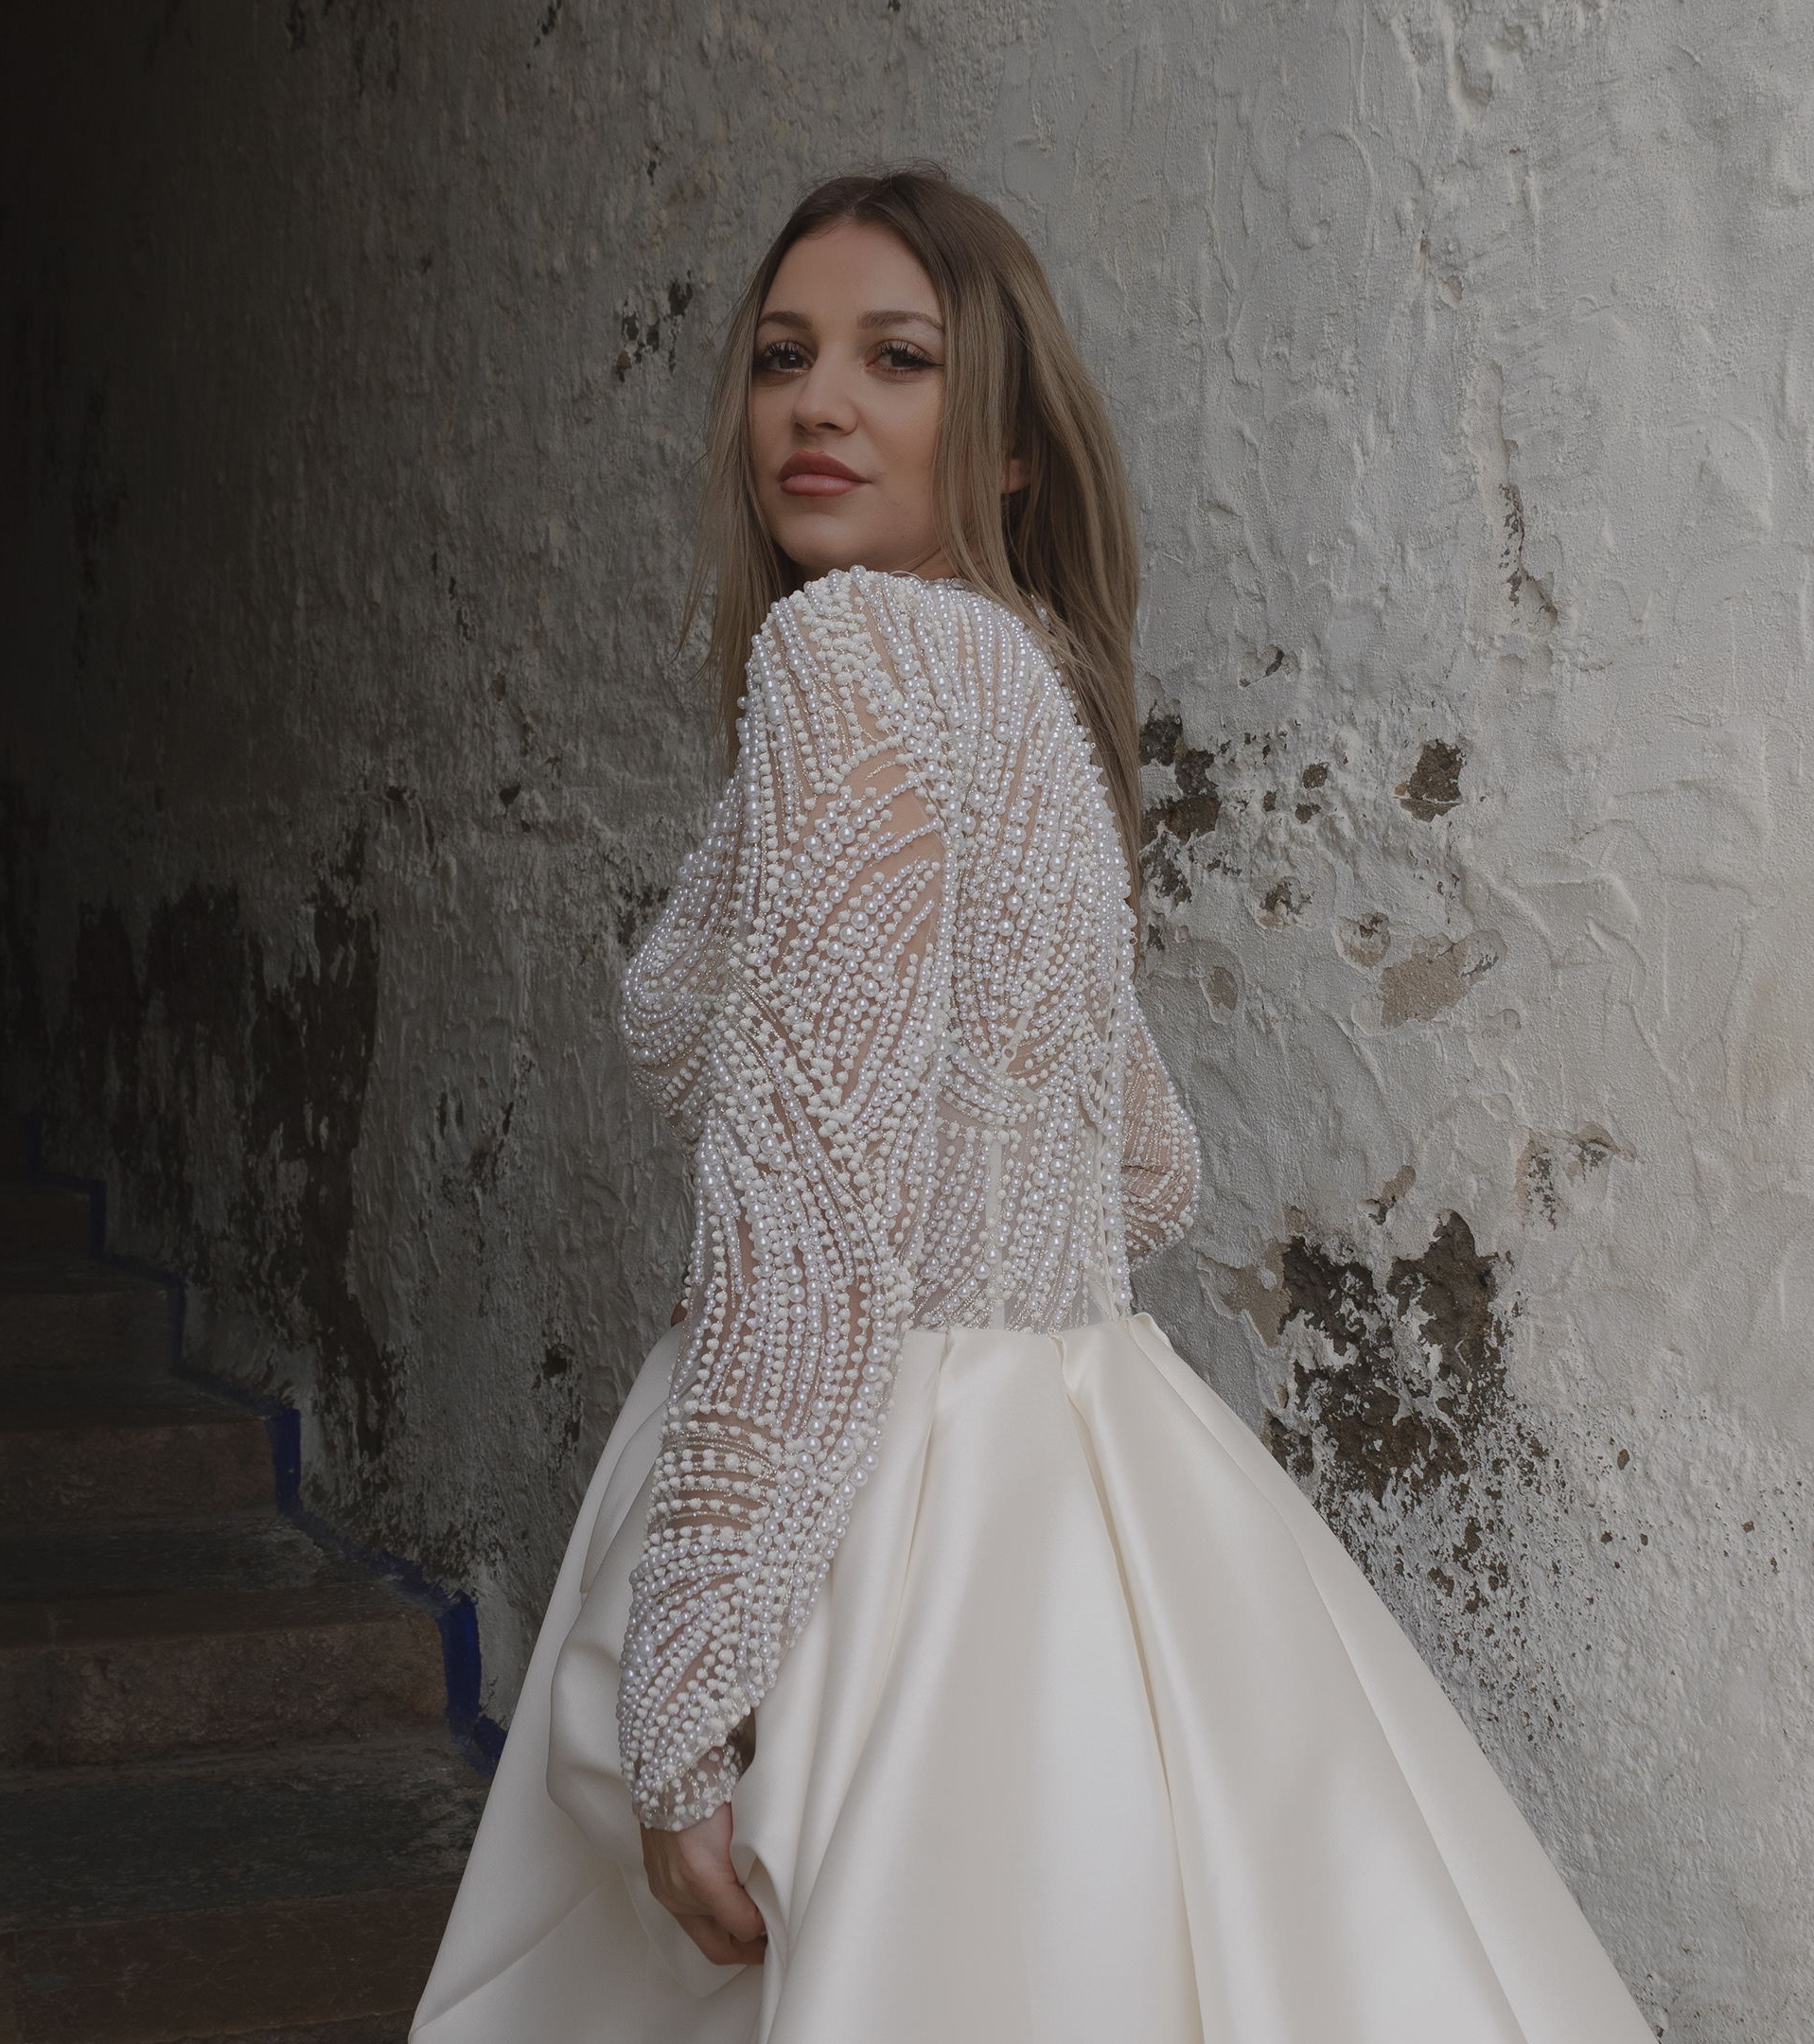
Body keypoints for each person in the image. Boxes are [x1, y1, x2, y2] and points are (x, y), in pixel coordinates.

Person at [411, 165, 1654, 2044]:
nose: (820, 403)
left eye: (896, 360)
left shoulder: (845, 657)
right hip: (1083, 1456)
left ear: (1005, 446)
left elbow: (807, 1224)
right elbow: (1145, 1163)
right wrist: (979, 1228)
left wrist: (681, 1704)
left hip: (886, 1500)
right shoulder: (1032, 693)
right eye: (781, 358)